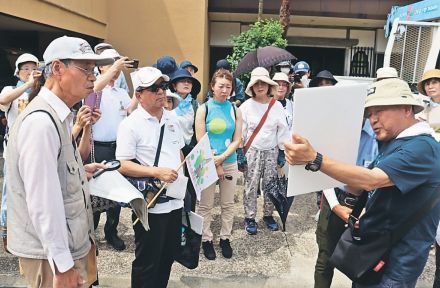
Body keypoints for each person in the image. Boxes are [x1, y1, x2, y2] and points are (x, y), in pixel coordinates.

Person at [285, 78, 440, 288]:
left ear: (406, 109)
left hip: (396, 262)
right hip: (376, 252)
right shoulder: (396, 141)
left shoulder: (421, 147)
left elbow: (372, 180)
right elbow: (364, 185)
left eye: (379, 111)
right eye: (369, 114)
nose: (372, 119)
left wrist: (316, 159)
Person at [5, 35, 113, 287]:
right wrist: (63, 266)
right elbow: (42, 201)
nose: (93, 76)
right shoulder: (41, 122)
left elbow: (50, 175)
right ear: (56, 68)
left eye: (94, 70)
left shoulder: (60, 115)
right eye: (85, 68)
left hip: (63, 249)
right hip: (51, 258)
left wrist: (78, 171)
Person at [116, 66, 184, 288]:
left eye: (163, 86)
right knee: (147, 261)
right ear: (138, 95)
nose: (161, 92)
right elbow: (123, 165)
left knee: (167, 256)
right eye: (153, 88)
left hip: (176, 200)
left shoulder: (173, 118)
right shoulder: (130, 124)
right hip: (151, 203)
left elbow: (180, 151)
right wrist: (157, 172)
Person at [314, 119, 378, 288]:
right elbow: (323, 171)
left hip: (365, 204)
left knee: (362, 262)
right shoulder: (337, 132)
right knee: (325, 258)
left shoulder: (378, 134)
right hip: (335, 199)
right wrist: (335, 206)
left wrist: (366, 207)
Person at [195, 68, 242, 260]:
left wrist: (222, 159)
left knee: (228, 203)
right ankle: (206, 239)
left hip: (229, 161)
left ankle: (225, 237)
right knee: (205, 204)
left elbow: (237, 139)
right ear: (212, 87)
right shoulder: (203, 109)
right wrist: (215, 162)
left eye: (228, 87)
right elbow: (200, 140)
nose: (224, 90)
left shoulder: (235, 109)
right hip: (206, 161)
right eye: (221, 86)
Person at [88, 48, 132, 251]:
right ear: (100, 66)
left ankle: (111, 231)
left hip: (118, 148)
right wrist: (114, 67)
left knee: (116, 194)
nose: (115, 67)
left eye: (117, 63)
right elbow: (94, 88)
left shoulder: (122, 92)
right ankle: (91, 235)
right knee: (96, 193)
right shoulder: (95, 88)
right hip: (98, 148)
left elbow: (130, 112)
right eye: (110, 63)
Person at [239, 67, 290, 235]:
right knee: (251, 185)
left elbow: (282, 130)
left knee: (270, 185)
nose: (260, 86)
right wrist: (240, 152)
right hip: (252, 151)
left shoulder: (276, 106)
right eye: (256, 83)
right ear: (252, 87)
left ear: (269, 85)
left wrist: (282, 151)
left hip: (272, 150)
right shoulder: (246, 107)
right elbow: (242, 131)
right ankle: (250, 217)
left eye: (264, 83)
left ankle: (268, 215)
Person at [0, 53, 41, 252]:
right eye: (26, 68)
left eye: (34, 68)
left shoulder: (41, 92)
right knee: (11, 192)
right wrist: (27, 85)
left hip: (35, 151)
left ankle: (29, 229)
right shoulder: (12, 89)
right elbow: (3, 99)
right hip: (14, 151)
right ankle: (7, 233)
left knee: (33, 191)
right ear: (18, 71)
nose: (30, 72)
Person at [416, 69, 440, 288]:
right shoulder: (425, 109)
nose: (431, 86)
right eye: (428, 83)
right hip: (429, 170)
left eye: (435, 82)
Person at [170, 68, 201, 211]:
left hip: (191, 150)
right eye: (182, 81)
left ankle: (191, 222)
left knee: (192, 187)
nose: (187, 83)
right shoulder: (168, 103)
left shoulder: (195, 104)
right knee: (175, 187)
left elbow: (197, 128)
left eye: (189, 81)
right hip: (173, 151)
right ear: (174, 85)